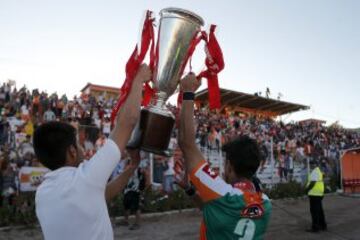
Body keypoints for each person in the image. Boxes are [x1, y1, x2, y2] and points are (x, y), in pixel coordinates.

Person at [34, 64, 151, 240]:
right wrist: (139, 80)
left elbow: (101, 194)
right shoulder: (85, 178)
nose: (83, 148)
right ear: (72, 152)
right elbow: (128, 122)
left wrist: (131, 168)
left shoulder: (43, 193)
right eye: (79, 145)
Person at [177, 73, 272, 240]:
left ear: (229, 166)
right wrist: (190, 190)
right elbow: (212, 207)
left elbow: (187, 144)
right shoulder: (266, 202)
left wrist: (188, 93)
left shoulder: (223, 194)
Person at [120, 166, 145, 230]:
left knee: (136, 207)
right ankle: (125, 221)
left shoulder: (139, 170)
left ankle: (138, 223)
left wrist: (141, 191)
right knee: (126, 206)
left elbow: (143, 179)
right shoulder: (128, 168)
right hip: (127, 190)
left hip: (135, 191)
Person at [305, 160, 327, 233]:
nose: (311, 166)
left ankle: (315, 227)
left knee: (314, 211)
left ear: (314, 165)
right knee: (319, 211)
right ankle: (323, 225)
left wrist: (307, 190)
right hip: (319, 193)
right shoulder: (318, 171)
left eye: (311, 164)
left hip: (314, 194)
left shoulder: (314, 171)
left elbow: (313, 183)